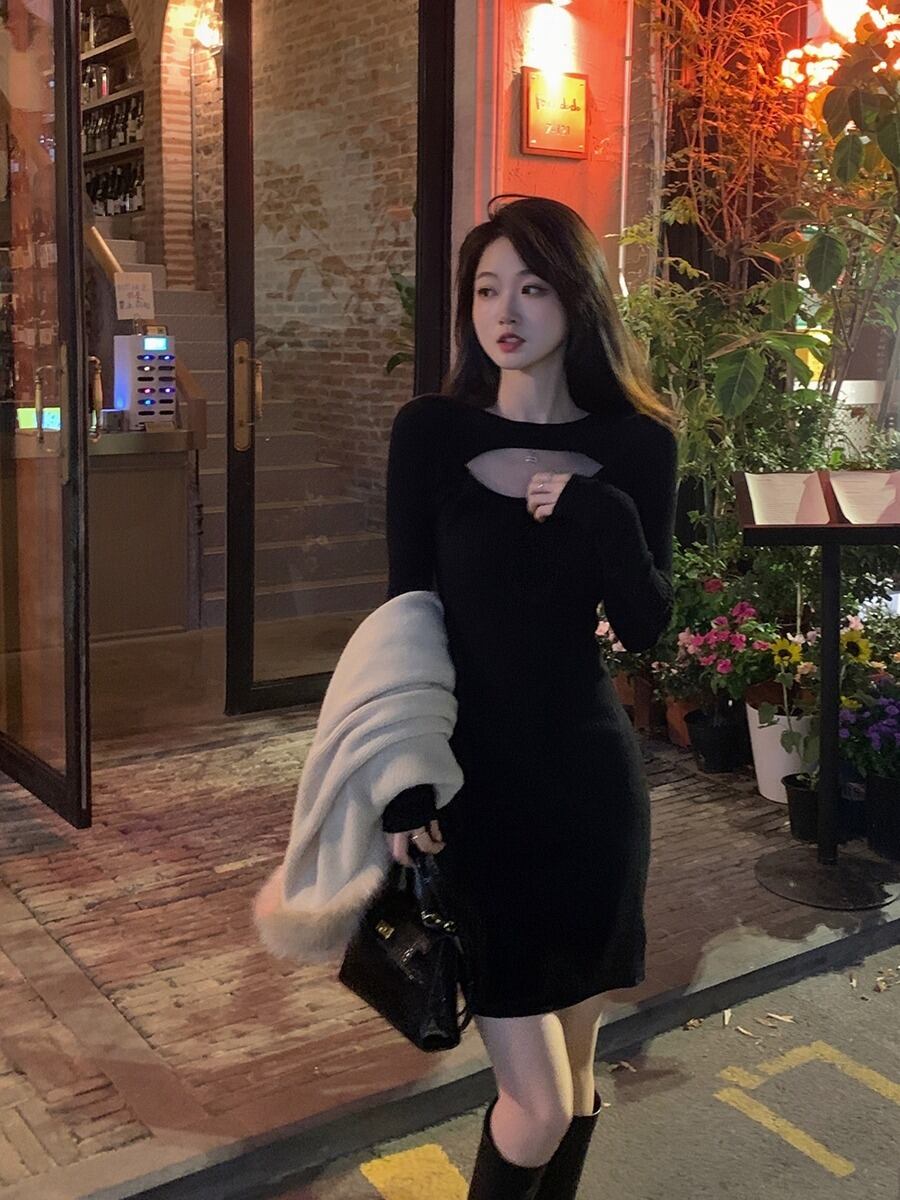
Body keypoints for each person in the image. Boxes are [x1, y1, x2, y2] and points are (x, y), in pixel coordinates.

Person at [380, 195, 678, 1200]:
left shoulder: (636, 446)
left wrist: (600, 513)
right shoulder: (431, 434)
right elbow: (405, 617)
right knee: (538, 1103)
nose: (504, 311)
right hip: (474, 797)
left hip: (591, 797)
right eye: (486, 289)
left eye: (533, 287)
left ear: (578, 299)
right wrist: (402, 779)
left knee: (578, 1082)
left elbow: (645, 623)